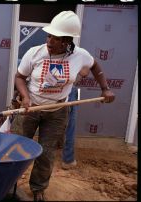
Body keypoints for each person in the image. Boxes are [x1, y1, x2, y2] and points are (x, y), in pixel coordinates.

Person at [13, 11, 115, 201]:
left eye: (55, 38)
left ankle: (38, 189)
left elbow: (95, 66)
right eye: (49, 35)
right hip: (30, 108)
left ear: (67, 41)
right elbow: (19, 77)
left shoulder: (80, 55)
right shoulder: (35, 52)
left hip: (58, 112)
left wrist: (105, 88)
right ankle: (9, 184)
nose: (49, 41)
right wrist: (25, 97)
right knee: (17, 147)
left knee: (46, 152)